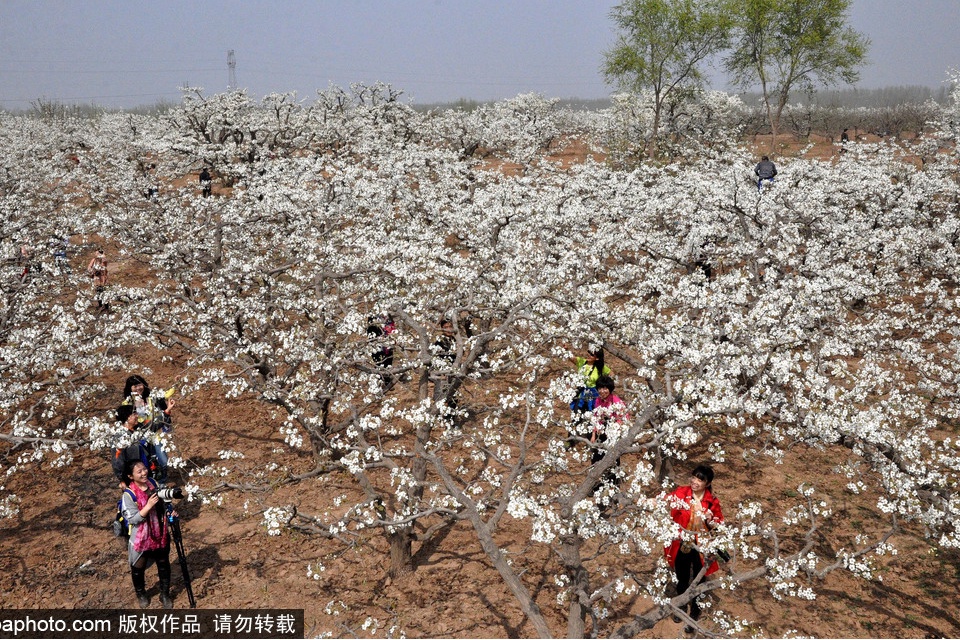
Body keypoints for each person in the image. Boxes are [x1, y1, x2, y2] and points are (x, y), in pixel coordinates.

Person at [665, 464, 724, 630]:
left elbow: (718, 523)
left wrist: (709, 519)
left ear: (707, 483)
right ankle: (682, 605)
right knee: (681, 576)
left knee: (699, 578)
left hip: (701, 545)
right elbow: (667, 498)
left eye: (700, 479)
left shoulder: (711, 501)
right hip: (682, 541)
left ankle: (695, 611)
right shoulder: (682, 492)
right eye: (694, 477)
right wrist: (651, 501)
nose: (695, 482)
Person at [120, 460, 176, 608]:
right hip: (141, 536)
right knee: (138, 566)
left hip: (160, 532)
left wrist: (170, 510)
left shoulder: (153, 483)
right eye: (139, 472)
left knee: (163, 564)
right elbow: (133, 518)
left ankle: (165, 594)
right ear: (130, 476)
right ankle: (141, 593)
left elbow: (164, 503)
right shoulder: (129, 495)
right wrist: (148, 506)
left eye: (144, 469)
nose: (144, 473)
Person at [120, 375, 175, 477]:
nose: (138, 388)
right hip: (141, 436)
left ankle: (163, 479)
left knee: (163, 460)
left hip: (156, 433)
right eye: (134, 386)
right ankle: (154, 480)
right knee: (147, 462)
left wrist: (176, 384)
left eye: (139, 385)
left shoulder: (150, 398)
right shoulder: (128, 403)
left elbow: (165, 395)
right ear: (130, 388)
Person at [112, 404, 166, 488]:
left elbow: (154, 425)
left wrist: (167, 411)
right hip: (135, 474)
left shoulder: (140, 427)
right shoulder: (119, 437)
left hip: (149, 468)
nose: (137, 416)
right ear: (127, 417)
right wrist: (122, 479)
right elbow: (117, 460)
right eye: (134, 414)